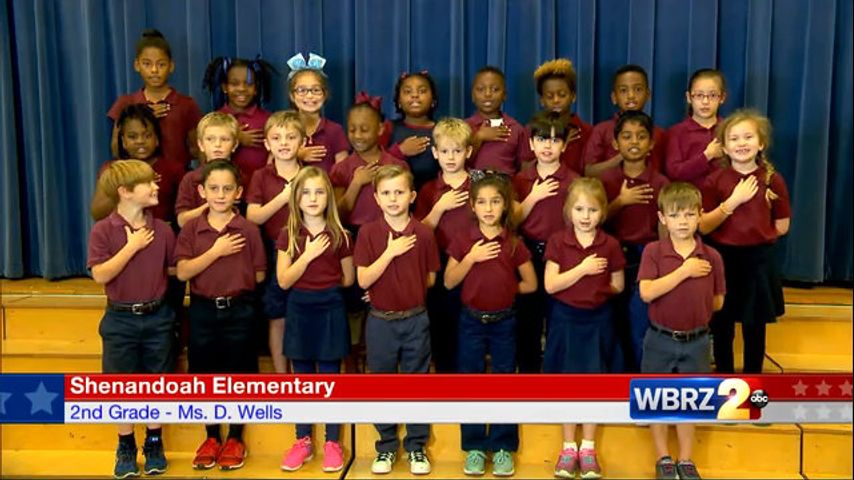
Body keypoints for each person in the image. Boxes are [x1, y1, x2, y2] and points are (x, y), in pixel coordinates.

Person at [444, 171, 537, 477]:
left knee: (504, 383)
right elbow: (448, 281)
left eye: (495, 201)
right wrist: (471, 258)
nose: (488, 208)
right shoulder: (463, 240)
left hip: (504, 323)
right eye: (481, 202)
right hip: (470, 321)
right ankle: (473, 446)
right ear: (472, 206)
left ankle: (501, 447)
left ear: (505, 205)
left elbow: (531, 284)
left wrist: (507, 288)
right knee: (469, 383)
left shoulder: (513, 243)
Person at [175, 160, 266, 471]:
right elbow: (183, 270)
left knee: (241, 373)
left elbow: (260, 273)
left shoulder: (249, 230)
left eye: (228, 189)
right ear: (201, 191)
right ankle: (211, 435)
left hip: (240, 309)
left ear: (238, 193)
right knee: (203, 373)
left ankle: (236, 437)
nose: (220, 194)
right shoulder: (191, 228)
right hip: (202, 309)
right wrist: (215, 252)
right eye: (213, 188)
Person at [87, 160, 175, 478]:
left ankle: (154, 442)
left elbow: (175, 269)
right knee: (119, 385)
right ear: (125, 192)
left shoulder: (163, 229)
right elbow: (100, 274)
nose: (156, 187)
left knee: (156, 383)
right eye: (148, 183)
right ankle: (125, 443)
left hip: (157, 317)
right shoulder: (103, 230)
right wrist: (131, 247)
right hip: (120, 319)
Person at [354, 165, 440, 476]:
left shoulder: (424, 233)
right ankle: (387, 446)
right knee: (382, 384)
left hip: (416, 319)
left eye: (399, 192)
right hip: (380, 321)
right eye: (386, 193)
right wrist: (390, 253)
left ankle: (416, 446)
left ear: (412, 196)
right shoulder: (368, 233)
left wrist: (406, 287)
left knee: (417, 384)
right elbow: (363, 279)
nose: (393, 199)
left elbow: (430, 278)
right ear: (376, 198)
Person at [638, 181, 725, 480]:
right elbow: (647, 292)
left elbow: (717, 301)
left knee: (693, 401)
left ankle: (686, 460)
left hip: (698, 341)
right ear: (663, 218)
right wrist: (683, 272)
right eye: (675, 215)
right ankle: (663, 457)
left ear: (700, 216)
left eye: (689, 215)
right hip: (660, 338)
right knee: (655, 398)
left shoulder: (712, 256)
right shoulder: (654, 251)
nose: (683, 221)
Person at [543, 178, 625, 480]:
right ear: (569, 210)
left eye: (592, 209)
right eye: (579, 209)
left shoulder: (611, 244)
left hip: (597, 321)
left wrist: (597, 290)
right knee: (567, 383)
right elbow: (551, 284)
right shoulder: (557, 241)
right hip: (565, 320)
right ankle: (568, 446)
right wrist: (582, 271)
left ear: (602, 212)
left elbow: (618, 284)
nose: (586, 215)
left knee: (594, 382)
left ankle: (587, 447)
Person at [699, 109, 791, 373]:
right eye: (734, 138)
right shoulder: (715, 180)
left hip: (758, 262)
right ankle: (724, 375)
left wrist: (759, 229)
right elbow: (704, 225)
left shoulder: (773, 179)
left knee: (754, 325)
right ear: (724, 147)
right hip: (723, 258)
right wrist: (733, 202)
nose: (741, 143)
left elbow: (782, 226)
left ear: (760, 143)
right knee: (722, 323)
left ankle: (752, 381)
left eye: (748, 137)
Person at [277, 166, 354, 473]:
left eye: (319, 192)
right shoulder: (288, 235)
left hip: (331, 308)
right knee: (303, 378)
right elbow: (283, 280)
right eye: (306, 192)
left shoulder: (341, 235)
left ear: (329, 198)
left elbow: (348, 278)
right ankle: (303, 440)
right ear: (296, 198)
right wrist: (307, 256)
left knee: (330, 378)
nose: (312, 198)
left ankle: (332, 442)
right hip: (299, 308)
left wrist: (327, 280)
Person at [600, 110, 669, 371]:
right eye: (627, 136)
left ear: (651, 144)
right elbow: (593, 220)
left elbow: (665, 229)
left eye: (641, 137)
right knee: (612, 323)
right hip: (610, 261)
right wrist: (620, 201)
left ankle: (639, 381)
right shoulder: (605, 180)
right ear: (616, 143)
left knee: (639, 324)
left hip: (645, 262)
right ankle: (613, 384)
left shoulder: (660, 183)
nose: (634, 142)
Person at [513, 112, 580, 373]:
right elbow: (512, 220)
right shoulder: (521, 179)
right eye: (541, 139)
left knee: (559, 319)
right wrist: (534, 196)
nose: (547, 146)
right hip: (528, 254)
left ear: (564, 145)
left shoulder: (573, 180)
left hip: (562, 258)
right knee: (528, 319)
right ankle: (529, 376)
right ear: (531, 144)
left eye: (554, 140)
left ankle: (556, 378)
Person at [415, 117, 477, 372]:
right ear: (435, 153)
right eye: (445, 151)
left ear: (468, 152)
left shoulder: (478, 185)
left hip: (474, 264)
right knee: (442, 329)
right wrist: (439, 208)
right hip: (439, 266)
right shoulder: (428, 190)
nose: (451, 157)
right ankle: (445, 386)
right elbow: (418, 232)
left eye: (457, 151)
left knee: (471, 330)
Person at [246, 111, 304, 374]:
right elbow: (253, 216)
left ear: (302, 142)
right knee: (277, 315)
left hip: (306, 251)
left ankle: (302, 375)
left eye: (291, 137)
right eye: (277, 138)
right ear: (267, 144)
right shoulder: (261, 176)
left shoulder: (311, 175)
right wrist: (284, 197)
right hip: (272, 250)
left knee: (304, 314)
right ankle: (282, 378)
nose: (284, 143)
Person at [108, 29, 202, 169]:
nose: (154, 70)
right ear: (137, 65)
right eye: (147, 64)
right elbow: (116, 148)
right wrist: (142, 117)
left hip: (177, 182)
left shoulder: (186, 104)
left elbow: (197, 149)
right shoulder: (125, 103)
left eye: (161, 64)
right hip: (136, 181)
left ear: (171, 66)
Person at [92, 104, 184, 224]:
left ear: (157, 139)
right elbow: (97, 214)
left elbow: (184, 214)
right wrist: (128, 184)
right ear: (123, 142)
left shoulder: (174, 169)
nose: (140, 141)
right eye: (132, 137)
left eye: (147, 136)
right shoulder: (111, 170)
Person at [331, 93, 409, 230]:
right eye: (352, 130)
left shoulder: (397, 166)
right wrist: (356, 183)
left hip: (391, 232)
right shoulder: (341, 169)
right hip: (354, 235)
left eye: (365, 130)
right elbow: (337, 214)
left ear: (380, 129)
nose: (358, 136)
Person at [202, 56, 277, 186]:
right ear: (225, 87)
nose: (242, 89)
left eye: (248, 84)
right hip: (224, 191)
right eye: (234, 83)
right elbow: (203, 157)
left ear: (256, 89)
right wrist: (234, 137)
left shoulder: (268, 119)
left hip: (259, 191)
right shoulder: (213, 120)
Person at [583, 65, 667, 178]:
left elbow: (665, 172)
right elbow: (588, 172)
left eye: (638, 89)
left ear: (648, 95)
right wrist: (625, 154)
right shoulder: (601, 130)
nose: (631, 96)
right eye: (623, 90)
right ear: (614, 97)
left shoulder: (659, 134)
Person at [285, 52, 349, 173]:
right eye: (302, 90)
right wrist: (295, 155)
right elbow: (271, 168)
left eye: (316, 90)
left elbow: (342, 173)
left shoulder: (335, 131)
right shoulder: (283, 129)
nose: (309, 96)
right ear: (292, 96)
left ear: (325, 94)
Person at [465, 66, 534, 174]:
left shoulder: (516, 128)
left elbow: (525, 166)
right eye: (480, 89)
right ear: (473, 96)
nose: (487, 94)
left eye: (495, 89)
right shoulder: (464, 127)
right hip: (473, 184)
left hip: (506, 185)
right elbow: (459, 163)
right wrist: (479, 137)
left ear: (504, 95)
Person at [175, 112, 239, 227]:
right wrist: (213, 203)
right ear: (200, 144)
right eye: (210, 139)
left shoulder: (242, 177)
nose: (217, 144)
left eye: (224, 139)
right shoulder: (190, 179)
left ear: (234, 145)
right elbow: (181, 221)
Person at [665, 69, 728, 186]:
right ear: (689, 97)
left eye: (712, 95)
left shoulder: (730, 130)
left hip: (728, 199)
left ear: (722, 97)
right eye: (699, 95)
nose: (705, 101)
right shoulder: (677, 132)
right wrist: (707, 156)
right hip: (688, 201)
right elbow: (674, 172)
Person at [532, 58, 592, 175]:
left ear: (573, 96)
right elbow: (525, 167)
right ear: (542, 100)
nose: (556, 100)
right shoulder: (532, 130)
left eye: (562, 95)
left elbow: (590, 171)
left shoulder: (587, 132)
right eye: (550, 96)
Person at [386, 71, 439, 191]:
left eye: (422, 91)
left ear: (433, 100)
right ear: (399, 101)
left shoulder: (444, 129)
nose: (415, 95)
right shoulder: (387, 128)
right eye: (408, 91)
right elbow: (374, 164)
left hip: (437, 198)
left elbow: (463, 166)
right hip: (395, 198)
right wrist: (400, 151)